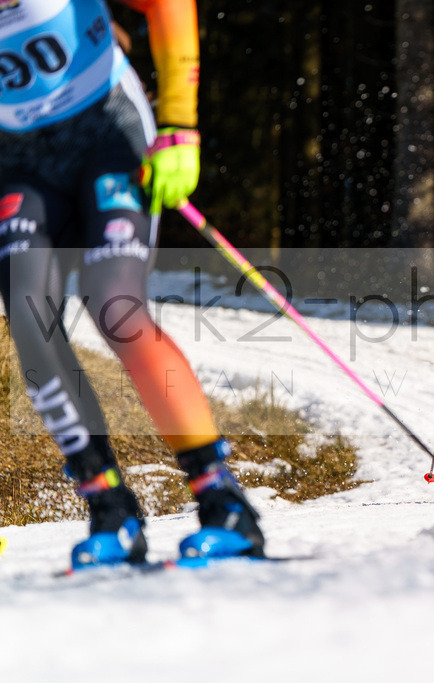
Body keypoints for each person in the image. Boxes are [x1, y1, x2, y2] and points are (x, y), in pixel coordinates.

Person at [0, 0, 264, 568]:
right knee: (28, 314)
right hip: (19, 160)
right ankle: (109, 508)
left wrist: (180, 125)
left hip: (108, 135)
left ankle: (222, 501)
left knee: (115, 306)